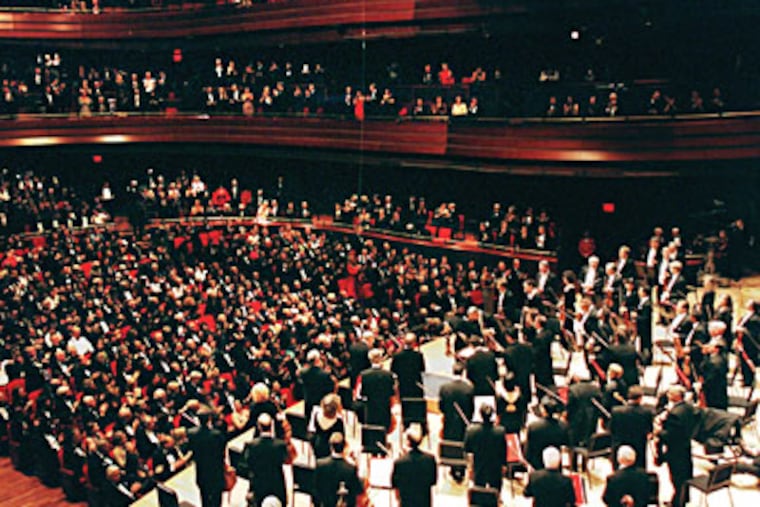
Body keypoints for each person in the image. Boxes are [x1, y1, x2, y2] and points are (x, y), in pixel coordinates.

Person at [656, 386, 699, 507]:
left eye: (670, 393)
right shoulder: (688, 407)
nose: (667, 394)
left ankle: (677, 504)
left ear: (677, 396)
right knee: (685, 475)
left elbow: (670, 435)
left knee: (677, 478)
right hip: (686, 446)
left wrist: (659, 431)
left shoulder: (675, 413)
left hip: (675, 451)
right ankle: (681, 499)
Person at [240, 413, 291, 506]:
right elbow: (287, 460)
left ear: (259, 426)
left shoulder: (250, 445)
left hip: (258, 483)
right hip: (276, 483)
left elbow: (246, 463)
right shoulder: (280, 445)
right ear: (272, 425)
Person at [438, 362, 474, 482]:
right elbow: (471, 409)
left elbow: (441, 407)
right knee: (462, 442)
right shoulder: (469, 388)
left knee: (451, 441)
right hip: (463, 423)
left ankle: (453, 468)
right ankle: (461, 469)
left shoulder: (444, 388)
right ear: (463, 372)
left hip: (449, 421)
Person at [187, 405, 226, 507]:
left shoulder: (191, 433)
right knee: (217, 498)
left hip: (201, 470)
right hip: (216, 470)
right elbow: (222, 451)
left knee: (204, 497)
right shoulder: (217, 435)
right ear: (209, 418)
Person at [313, 433, 366, 507]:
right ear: (344, 447)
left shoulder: (320, 464)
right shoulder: (350, 468)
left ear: (331, 447)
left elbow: (315, 489)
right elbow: (357, 490)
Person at [391, 424, 437, 506]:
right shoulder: (430, 459)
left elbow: (395, 486)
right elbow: (433, 481)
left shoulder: (399, 462)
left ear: (408, 442)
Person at [609, 386, 653, 469]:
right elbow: (649, 430)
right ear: (640, 398)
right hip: (639, 445)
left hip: (620, 444)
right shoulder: (646, 412)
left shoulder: (616, 411)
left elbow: (612, 429)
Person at [464, 404, 506, 490]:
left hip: (479, 467)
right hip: (495, 468)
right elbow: (503, 451)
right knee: (495, 490)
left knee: (478, 489)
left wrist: (470, 467)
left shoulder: (471, 430)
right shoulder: (500, 431)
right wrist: (504, 465)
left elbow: (467, 450)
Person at [356, 348, 397, 431]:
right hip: (385, 409)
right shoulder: (389, 375)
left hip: (370, 410)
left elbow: (359, 395)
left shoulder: (363, 375)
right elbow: (393, 394)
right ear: (381, 358)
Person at [525, 399, 569, 470]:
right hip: (556, 463)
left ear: (543, 411)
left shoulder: (533, 426)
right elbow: (566, 443)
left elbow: (528, 449)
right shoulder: (563, 426)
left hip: (537, 464)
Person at [297, 349, 336, 422]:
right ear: (317, 360)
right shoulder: (325, 375)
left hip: (308, 403)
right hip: (321, 405)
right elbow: (330, 390)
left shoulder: (303, 373)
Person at [390, 332, 426, 399]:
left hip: (403, 384)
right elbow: (422, 369)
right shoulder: (418, 355)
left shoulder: (397, 356)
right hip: (416, 384)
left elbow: (393, 370)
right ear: (414, 343)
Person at [310, 393, 345, 459]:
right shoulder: (338, 422)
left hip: (317, 447)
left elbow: (313, 430)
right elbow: (341, 440)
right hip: (330, 451)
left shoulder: (316, 415)